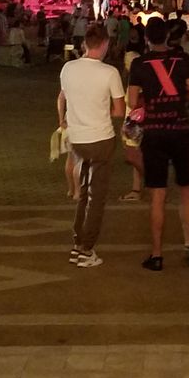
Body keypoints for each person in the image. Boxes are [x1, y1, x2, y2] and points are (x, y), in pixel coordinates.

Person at [127, 16, 189, 271]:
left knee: (157, 194)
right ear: (168, 36)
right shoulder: (183, 59)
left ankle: (157, 254)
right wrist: (177, 98)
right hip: (180, 128)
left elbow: (132, 101)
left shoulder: (139, 64)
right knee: (186, 189)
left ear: (147, 38)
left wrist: (150, 99)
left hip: (154, 131)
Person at [57, 23, 125, 268]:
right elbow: (119, 110)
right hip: (100, 139)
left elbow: (65, 98)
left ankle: (78, 241)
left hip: (77, 138)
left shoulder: (68, 68)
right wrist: (100, 110)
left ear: (85, 43)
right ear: (105, 44)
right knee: (97, 196)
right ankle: (87, 248)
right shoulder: (109, 72)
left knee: (84, 191)